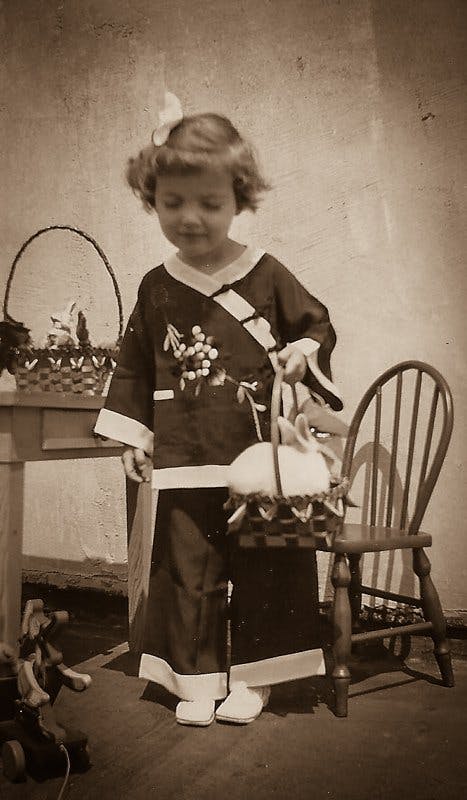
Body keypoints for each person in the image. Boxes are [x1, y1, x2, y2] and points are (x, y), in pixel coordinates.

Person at [94, 92, 343, 727]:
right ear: (153, 202)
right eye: (173, 204)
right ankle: (195, 679)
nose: (192, 219)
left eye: (210, 203)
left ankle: (257, 678)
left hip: (256, 461)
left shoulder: (266, 274)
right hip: (183, 456)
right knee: (187, 572)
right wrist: (134, 436)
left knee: (268, 565)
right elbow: (135, 365)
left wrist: (301, 354)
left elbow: (315, 326)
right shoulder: (156, 286)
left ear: (239, 199)